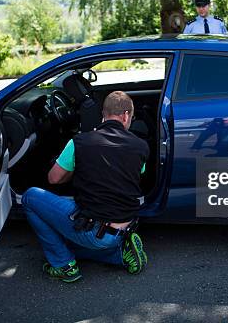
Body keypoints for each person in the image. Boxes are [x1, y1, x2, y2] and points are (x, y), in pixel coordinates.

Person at [22, 91, 149, 282]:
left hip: (94, 230)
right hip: (126, 225)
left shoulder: (79, 143)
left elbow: (53, 179)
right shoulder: (141, 146)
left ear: (103, 115)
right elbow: (132, 175)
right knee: (78, 241)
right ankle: (121, 254)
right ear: (125, 115)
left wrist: (78, 169)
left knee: (30, 197)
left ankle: (63, 265)